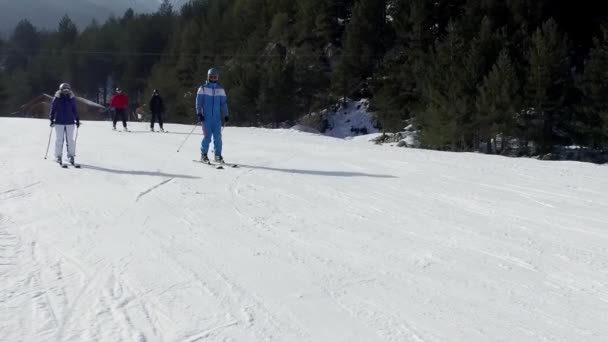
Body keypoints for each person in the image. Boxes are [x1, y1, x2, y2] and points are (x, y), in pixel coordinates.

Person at [196, 68, 229, 163]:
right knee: (207, 136)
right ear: (208, 77)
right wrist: (199, 113)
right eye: (212, 77)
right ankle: (204, 154)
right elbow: (198, 103)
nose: (214, 78)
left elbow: (223, 103)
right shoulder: (202, 88)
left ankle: (218, 155)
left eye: (215, 77)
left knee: (218, 137)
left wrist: (226, 114)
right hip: (206, 118)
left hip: (216, 118)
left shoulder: (220, 89)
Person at [49, 83, 80, 165]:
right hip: (59, 122)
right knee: (59, 139)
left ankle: (70, 156)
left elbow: (74, 109)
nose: (66, 91)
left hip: (70, 122)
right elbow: (53, 109)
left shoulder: (71, 98)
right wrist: (51, 119)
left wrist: (77, 119)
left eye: (67, 90)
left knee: (70, 140)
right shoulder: (57, 98)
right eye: (64, 90)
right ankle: (58, 156)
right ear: (61, 90)